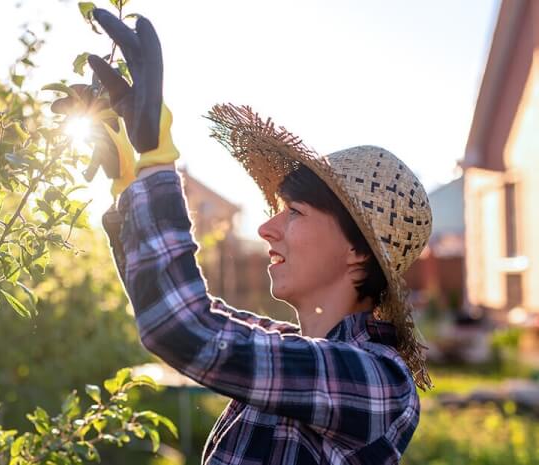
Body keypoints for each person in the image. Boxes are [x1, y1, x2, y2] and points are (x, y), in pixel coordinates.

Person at [57, 8, 434, 464]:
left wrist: (156, 161)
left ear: (357, 250)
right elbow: (188, 312)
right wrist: (130, 190)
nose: (265, 228)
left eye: (293, 212)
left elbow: (186, 327)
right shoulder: (303, 353)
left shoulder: (379, 381)